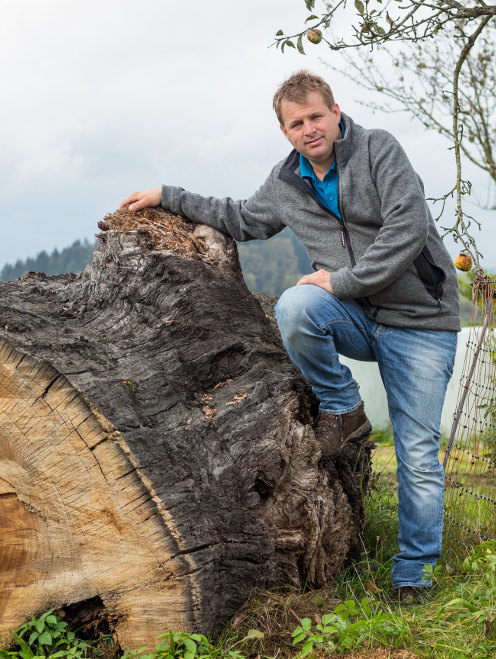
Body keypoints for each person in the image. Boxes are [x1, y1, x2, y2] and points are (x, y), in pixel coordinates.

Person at [119, 70, 460, 604]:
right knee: (297, 304)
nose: (309, 129)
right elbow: (240, 218)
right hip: (358, 318)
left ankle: (412, 574)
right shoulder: (286, 183)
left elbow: (406, 229)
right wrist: (169, 195)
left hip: (419, 323)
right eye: (296, 123)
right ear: (285, 131)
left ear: (336, 112)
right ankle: (343, 407)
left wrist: (341, 280)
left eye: (316, 116)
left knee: (416, 453)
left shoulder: (379, 152)